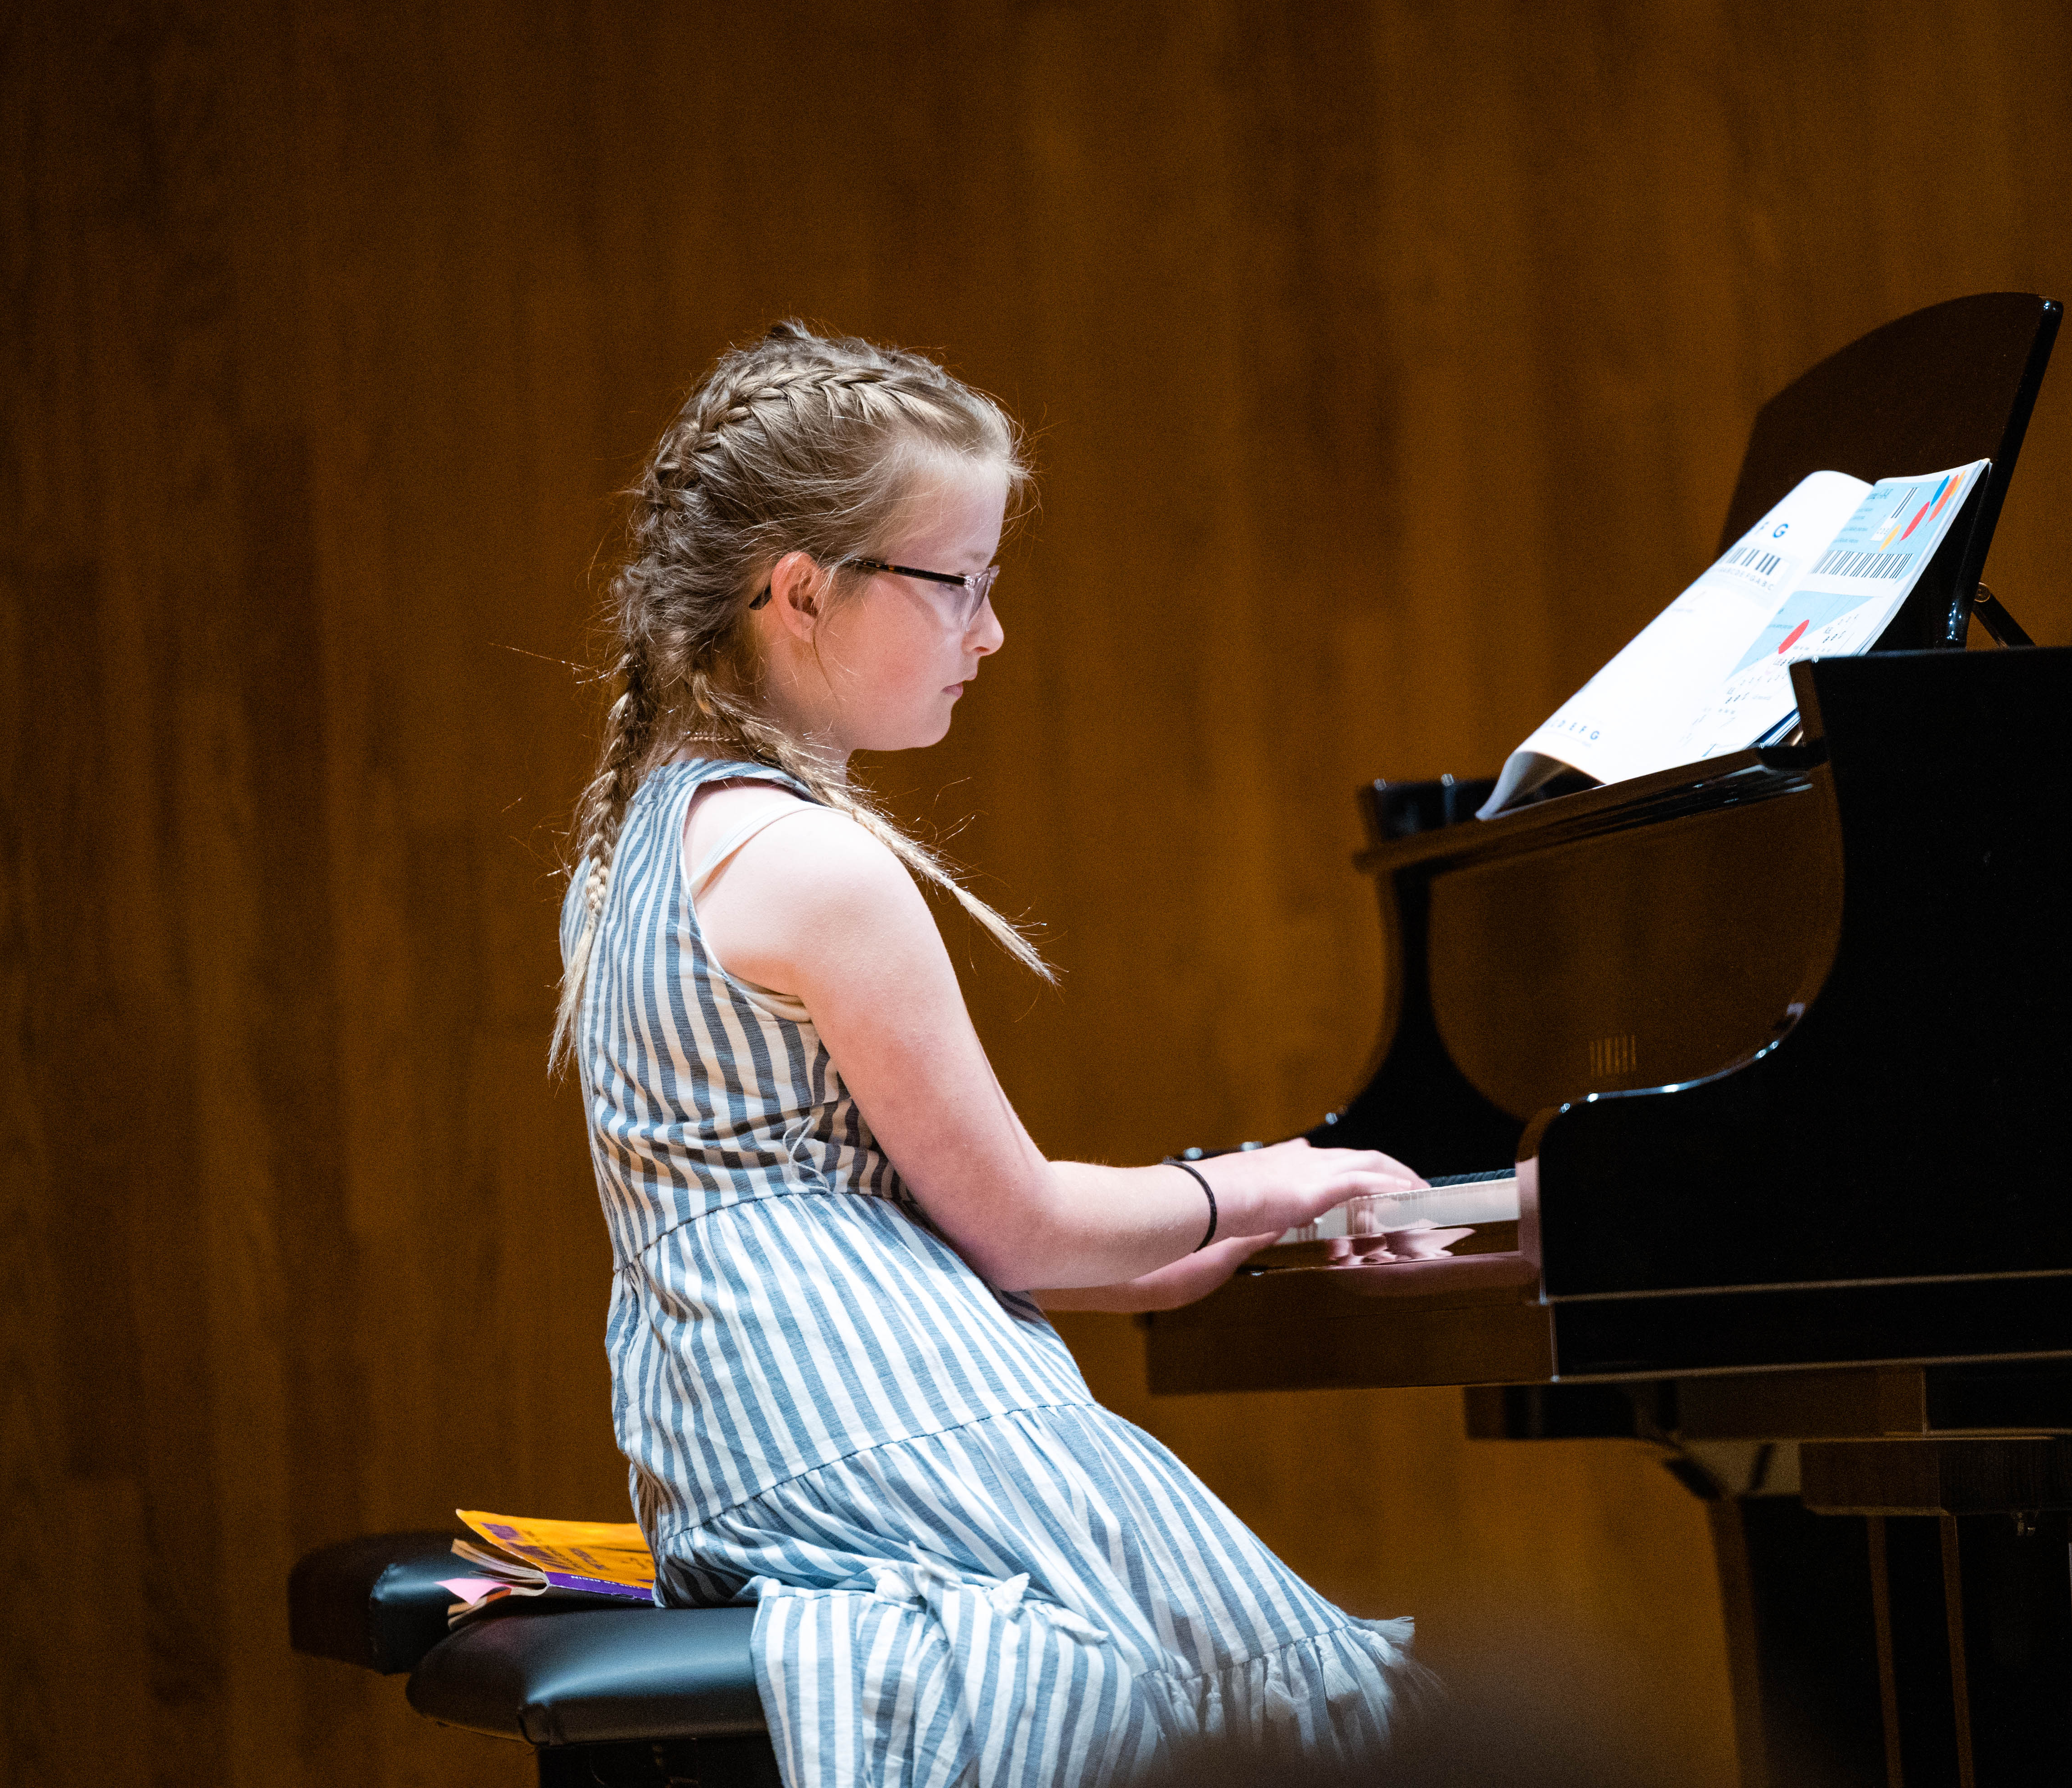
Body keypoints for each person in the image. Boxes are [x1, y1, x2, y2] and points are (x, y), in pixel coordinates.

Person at [553, 321, 1440, 1788]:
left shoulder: (653, 837)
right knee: (1317, 1721)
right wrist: (1271, 1180)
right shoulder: (809, 864)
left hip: (749, 1441)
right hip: (860, 1439)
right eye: (958, 583)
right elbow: (1016, 1218)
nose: (991, 631)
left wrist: (1189, 1241)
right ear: (801, 593)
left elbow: (883, 1218)